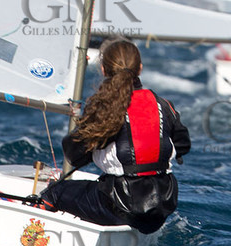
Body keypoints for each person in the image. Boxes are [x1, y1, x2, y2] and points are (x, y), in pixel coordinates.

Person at [39, 38, 191, 233]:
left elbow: (73, 153)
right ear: (140, 68)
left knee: (55, 193)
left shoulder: (106, 108)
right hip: (163, 205)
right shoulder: (164, 105)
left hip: (121, 206)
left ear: (103, 70)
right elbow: (183, 146)